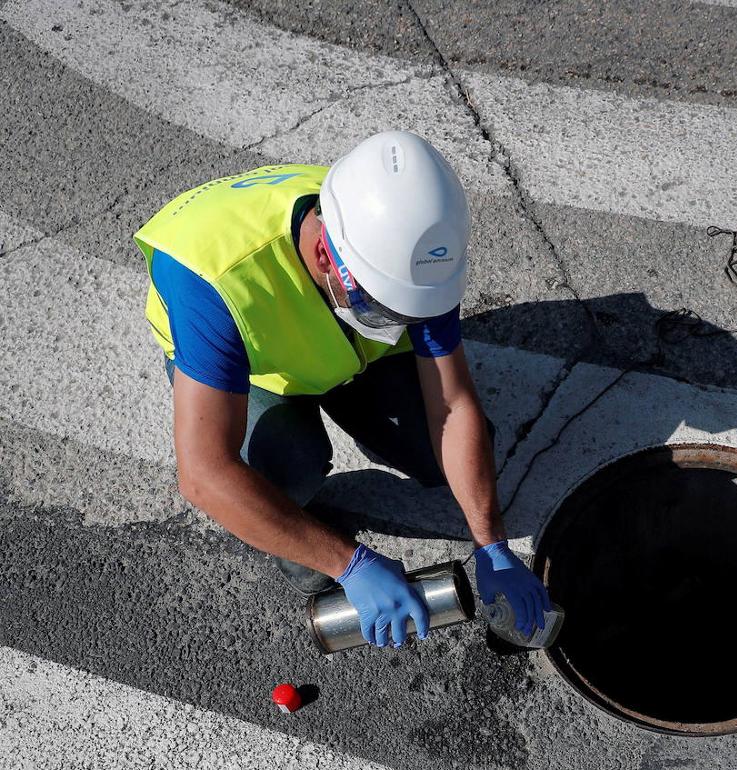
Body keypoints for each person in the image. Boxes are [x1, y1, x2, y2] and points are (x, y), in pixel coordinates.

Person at [134, 131, 551, 649]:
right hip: (260, 371)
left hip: (348, 353)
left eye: (409, 312)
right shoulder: (212, 280)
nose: (400, 321)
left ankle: (351, 397)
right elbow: (203, 475)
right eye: (384, 308)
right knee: (284, 468)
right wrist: (349, 564)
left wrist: (491, 544)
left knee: (439, 449)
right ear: (326, 257)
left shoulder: (408, 247)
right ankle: (298, 542)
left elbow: (452, 400)